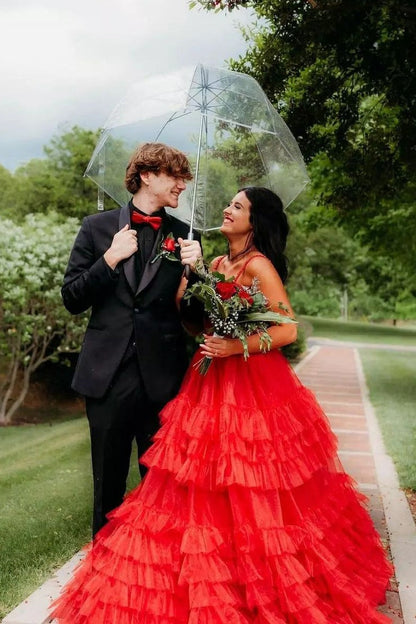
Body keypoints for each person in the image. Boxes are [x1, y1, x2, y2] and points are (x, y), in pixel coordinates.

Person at [51, 187, 392, 623]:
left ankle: (256, 576)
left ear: (256, 221)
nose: (227, 210)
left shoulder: (258, 265)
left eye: (237, 207)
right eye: (230, 204)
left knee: (248, 483)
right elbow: (195, 320)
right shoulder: (213, 263)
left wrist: (235, 346)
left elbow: (285, 329)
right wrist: (188, 289)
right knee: (197, 483)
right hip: (205, 380)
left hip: (249, 383)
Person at [61, 142, 202, 536]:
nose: (182, 186)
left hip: (163, 380)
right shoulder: (97, 228)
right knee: (107, 482)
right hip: (106, 376)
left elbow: (194, 319)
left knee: (162, 486)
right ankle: (102, 568)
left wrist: (199, 275)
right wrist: (108, 260)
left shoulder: (185, 238)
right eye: (175, 176)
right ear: (146, 175)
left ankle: (153, 572)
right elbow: (72, 297)